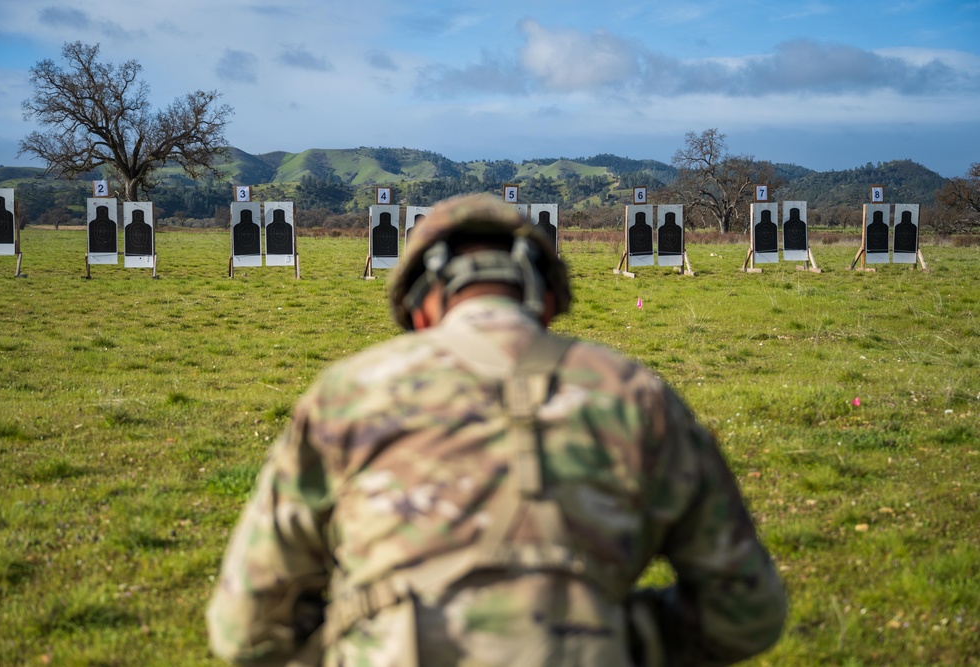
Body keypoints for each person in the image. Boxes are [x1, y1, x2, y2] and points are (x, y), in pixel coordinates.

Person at [206, 193, 787, 666]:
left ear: (420, 305)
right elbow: (747, 613)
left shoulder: (346, 395)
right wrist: (612, 635)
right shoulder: (636, 395)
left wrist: (366, 637)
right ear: (546, 298)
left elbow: (246, 630)